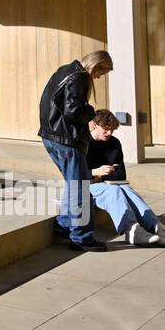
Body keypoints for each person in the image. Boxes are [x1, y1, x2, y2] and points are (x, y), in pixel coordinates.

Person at [38, 50, 112, 252]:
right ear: (96, 66)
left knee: (74, 184)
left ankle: (63, 224)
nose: (98, 77)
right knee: (80, 188)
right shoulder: (79, 77)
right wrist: (91, 112)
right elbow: (73, 111)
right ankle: (81, 236)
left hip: (52, 136)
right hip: (66, 140)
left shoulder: (66, 70)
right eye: (100, 73)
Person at [86, 109, 165, 246]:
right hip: (88, 185)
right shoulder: (84, 143)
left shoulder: (114, 143)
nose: (109, 133)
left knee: (127, 190)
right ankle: (131, 230)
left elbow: (121, 174)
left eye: (112, 130)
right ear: (95, 124)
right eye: (106, 129)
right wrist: (96, 172)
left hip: (109, 183)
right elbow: (76, 173)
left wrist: (104, 176)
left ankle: (156, 226)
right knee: (115, 191)